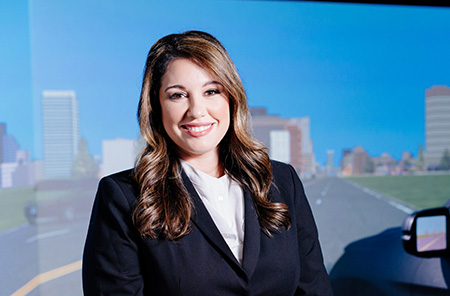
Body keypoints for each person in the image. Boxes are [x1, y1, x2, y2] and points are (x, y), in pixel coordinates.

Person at [82, 30, 333, 295]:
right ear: (156, 106)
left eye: (211, 91)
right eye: (178, 95)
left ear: (231, 98)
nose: (197, 111)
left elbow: (314, 289)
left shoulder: (282, 181)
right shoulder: (123, 196)